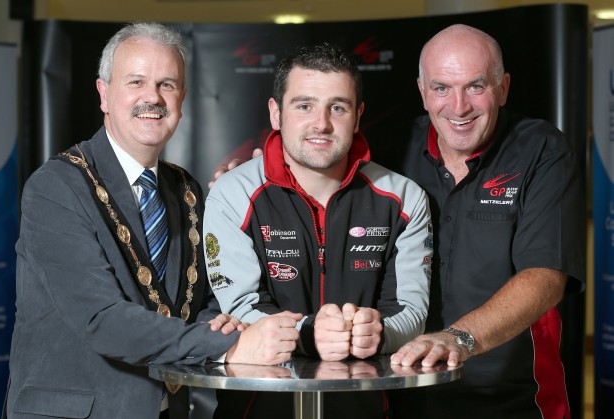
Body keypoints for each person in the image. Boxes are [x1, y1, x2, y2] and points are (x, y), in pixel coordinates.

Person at [3, 22, 301, 419]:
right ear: (104, 94)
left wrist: (233, 328)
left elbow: (206, 303)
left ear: (182, 98)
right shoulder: (56, 188)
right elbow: (101, 319)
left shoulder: (186, 190)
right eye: (136, 81)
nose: (152, 98)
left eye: (167, 84)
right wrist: (227, 346)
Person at [203, 43, 432, 419]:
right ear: (276, 113)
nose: (322, 124)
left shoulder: (404, 198)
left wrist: (378, 333)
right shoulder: (232, 193)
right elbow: (240, 308)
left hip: (374, 410)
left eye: (337, 107)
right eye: (304, 105)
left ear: (357, 116)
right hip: (257, 410)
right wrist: (310, 333)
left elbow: (411, 312)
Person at [382, 24, 585, 418]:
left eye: (476, 86)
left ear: (503, 88)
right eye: (441, 88)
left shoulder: (542, 150)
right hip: (402, 393)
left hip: (514, 399)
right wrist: (249, 175)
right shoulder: (390, 150)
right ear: (422, 92)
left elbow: (545, 276)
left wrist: (459, 338)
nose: (459, 107)